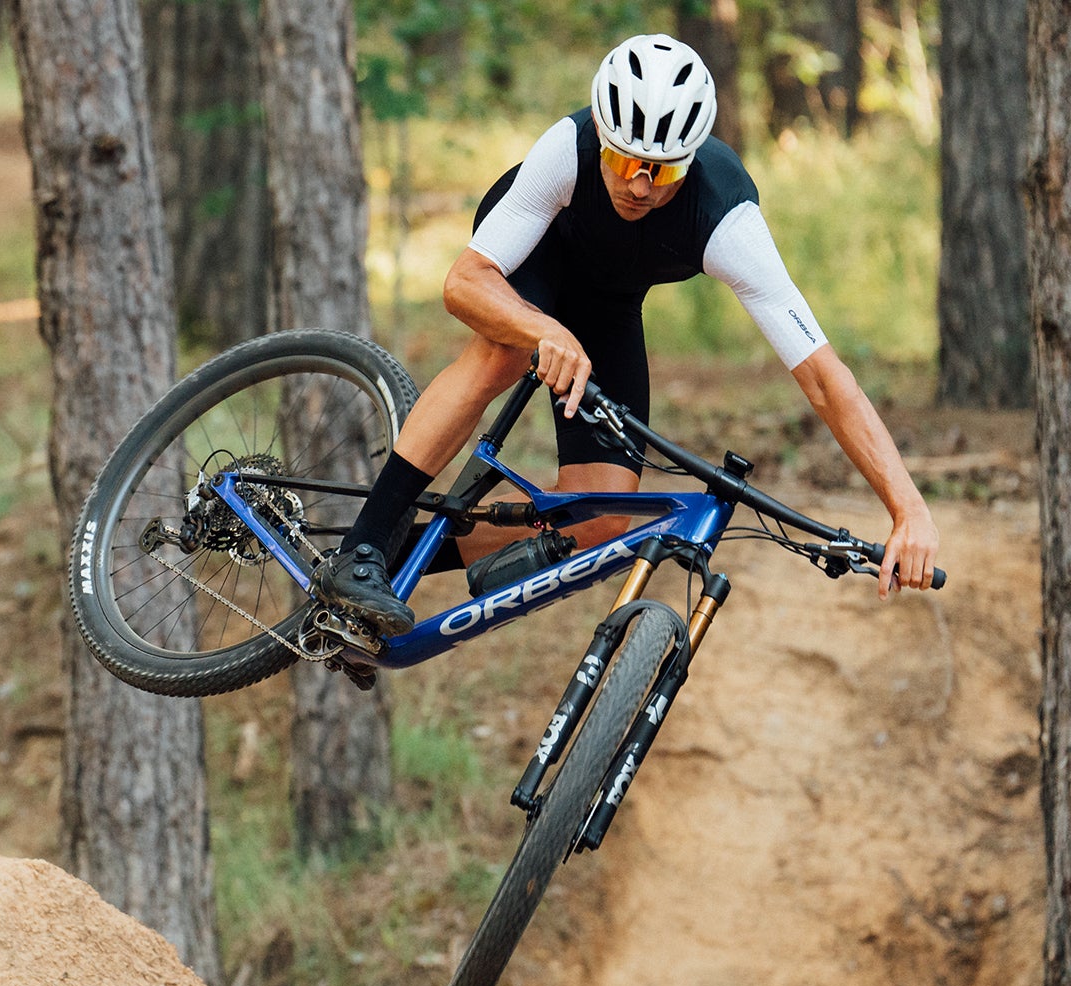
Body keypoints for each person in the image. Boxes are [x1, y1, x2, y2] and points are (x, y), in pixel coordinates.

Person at [314, 32, 941, 637]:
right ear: (603, 136)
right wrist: (540, 329)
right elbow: (464, 283)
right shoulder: (568, 149)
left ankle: (403, 553)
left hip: (608, 306)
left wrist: (906, 506)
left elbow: (826, 380)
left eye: (663, 172)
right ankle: (363, 544)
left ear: (690, 161)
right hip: (532, 265)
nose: (640, 184)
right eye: (625, 160)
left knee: (605, 520)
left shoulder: (726, 220)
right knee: (504, 354)